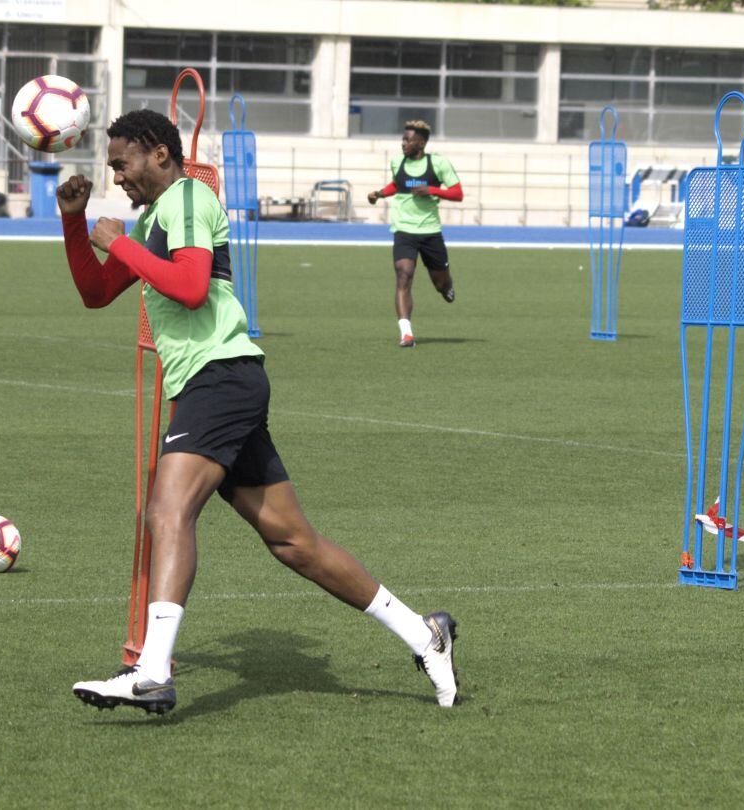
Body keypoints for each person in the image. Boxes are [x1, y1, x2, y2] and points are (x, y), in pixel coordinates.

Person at [56, 109, 461, 714]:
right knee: (295, 542)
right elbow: (96, 293)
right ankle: (425, 635)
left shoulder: (188, 195)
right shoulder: (159, 217)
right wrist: (73, 223)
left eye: (123, 164)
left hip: (219, 378)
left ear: (159, 154)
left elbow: (191, 288)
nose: (118, 178)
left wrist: (115, 240)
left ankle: (152, 671)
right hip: (225, 381)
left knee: (168, 509)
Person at [367, 120, 463, 348]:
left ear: (420, 143)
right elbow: (396, 185)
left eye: (408, 140)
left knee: (439, 282)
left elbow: (457, 193)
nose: (403, 144)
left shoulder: (438, 163)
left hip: (430, 232)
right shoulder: (397, 162)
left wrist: (431, 190)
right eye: (402, 139)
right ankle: (406, 333)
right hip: (403, 230)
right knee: (404, 275)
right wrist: (379, 194)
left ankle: (447, 287)